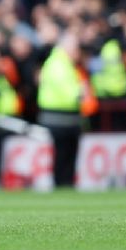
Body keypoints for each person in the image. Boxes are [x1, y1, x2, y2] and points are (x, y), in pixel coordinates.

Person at [37, 34, 83, 188]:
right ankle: (62, 184)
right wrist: (80, 93)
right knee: (63, 154)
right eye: (76, 49)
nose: (78, 53)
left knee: (66, 154)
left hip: (65, 118)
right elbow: (68, 91)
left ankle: (65, 183)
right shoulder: (58, 64)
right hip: (59, 118)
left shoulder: (62, 63)